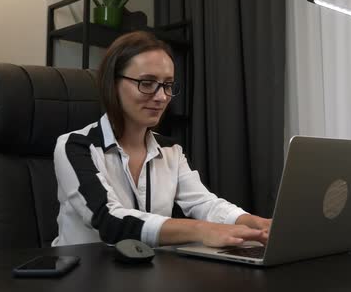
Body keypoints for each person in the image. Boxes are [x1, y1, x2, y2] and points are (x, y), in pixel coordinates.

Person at [52, 31, 271, 248]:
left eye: (168, 85)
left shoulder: (170, 150)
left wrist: (254, 223)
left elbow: (203, 202)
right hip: (85, 272)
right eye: (147, 83)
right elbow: (108, 218)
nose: (162, 97)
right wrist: (201, 229)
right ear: (113, 84)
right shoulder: (74, 146)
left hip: (145, 272)